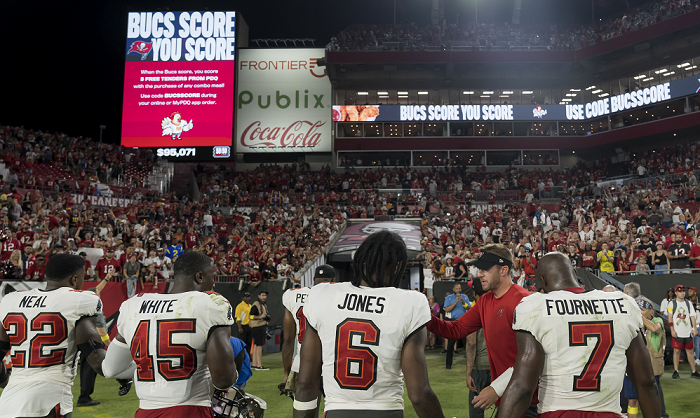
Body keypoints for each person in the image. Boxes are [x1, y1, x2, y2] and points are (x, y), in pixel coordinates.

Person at [294, 230, 444, 418]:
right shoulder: (411, 302)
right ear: (398, 266)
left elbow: (306, 384)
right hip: (386, 410)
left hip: (337, 410)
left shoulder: (321, 295)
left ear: (360, 260)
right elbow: (419, 395)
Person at [498, 252, 661, 418]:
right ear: (574, 274)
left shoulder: (535, 307)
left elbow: (522, 388)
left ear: (542, 280)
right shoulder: (624, 304)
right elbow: (647, 383)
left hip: (557, 413)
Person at [102, 251, 237, 417]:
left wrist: (153, 367)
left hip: (145, 412)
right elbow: (223, 380)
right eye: (213, 276)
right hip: (191, 410)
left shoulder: (134, 305)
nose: (214, 283)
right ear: (200, 277)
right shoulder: (210, 304)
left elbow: (111, 369)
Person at [427, 244, 533, 416]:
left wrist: (495, 389)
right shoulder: (485, 301)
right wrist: (423, 316)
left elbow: (531, 358)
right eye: (478, 269)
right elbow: (456, 329)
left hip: (530, 400)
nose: (479, 274)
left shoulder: (524, 301)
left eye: (484, 269)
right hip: (508, 397)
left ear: (503, 270)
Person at [0, 253, 107, 418]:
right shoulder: (80, 300)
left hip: (8, 403)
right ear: (74, 279)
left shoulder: (10, 300)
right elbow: (97, 359)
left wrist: (7, 383)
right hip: (49, 399)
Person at [282, 264, 336, 415]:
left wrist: (287, 373)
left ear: (313, 280)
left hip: (303, 363)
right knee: (336, 407)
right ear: (333, 280)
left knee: (306, 410)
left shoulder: (293, 295)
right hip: (332, 362)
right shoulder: (339, 295)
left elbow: (287, 340)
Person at [638, 298, 669, 418]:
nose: (640, 312)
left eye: (642, 309)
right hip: (640, 362)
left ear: (651, 311)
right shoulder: (638, 323)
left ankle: (662, 414)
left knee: (655, 386)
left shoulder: (657, 320)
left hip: (654, 361)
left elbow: (656, 329)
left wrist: (640, 318)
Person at [465, 279, 490, 418]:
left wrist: (468, 373)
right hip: (498, 367)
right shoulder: (497, 308)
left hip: (480, 367)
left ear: (474, 293)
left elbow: (471, 344)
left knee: (476, 408)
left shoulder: (474, 312)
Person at [667, 284, 700, 379]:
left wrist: (694, 329)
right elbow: (670, 317)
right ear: (676, 292)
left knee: (689, 351)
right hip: (677, 332)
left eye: (683, 291)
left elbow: (692, 316)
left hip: (688, 332)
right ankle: (676, 371)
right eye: (680, 291)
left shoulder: (688, 303)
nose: (682, 293)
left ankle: (694, 371)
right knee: (676, 351)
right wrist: (672, 330)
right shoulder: (671, 303)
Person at [443, 283, 472, 369]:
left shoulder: (465, 297)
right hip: (453, 322)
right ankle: (448, 365)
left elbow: (469, 309)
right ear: (453, 289)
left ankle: (470, 364)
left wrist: (464, 303)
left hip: (463, 322)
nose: (458, 290)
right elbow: (447, 309)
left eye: (459, 288)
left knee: (467, 344)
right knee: (451, 344)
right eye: (457, 288)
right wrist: (456, 302)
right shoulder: (449, 298)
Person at [249, 290, 271, 370]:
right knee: (259, 346)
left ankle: (254, 364)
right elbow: (250, 316)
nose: (264, 297)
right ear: (259, 296)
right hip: (258, 327)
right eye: (262, 295)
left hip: (260, 327)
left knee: (256, 345)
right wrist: (260, 317)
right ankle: (259, 365)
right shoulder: (256, 304)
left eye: (265, 295)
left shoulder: (263, 305)